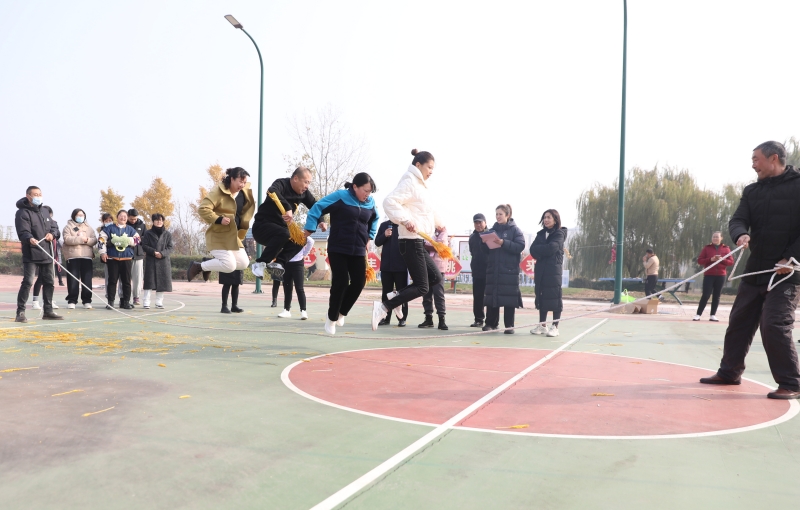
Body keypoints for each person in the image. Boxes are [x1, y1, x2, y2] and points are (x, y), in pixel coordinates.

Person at [700, 141, 800, 399]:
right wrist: (740, 234)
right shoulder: (752, 191)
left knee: (774, 325)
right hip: (755, 269)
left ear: (773, 158)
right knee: (739, 322)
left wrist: (791, 258)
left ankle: (791, 383)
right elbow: (738, 219)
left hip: (787, 274)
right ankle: (729, 372)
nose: (753, 164)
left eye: (756, 159)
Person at [372, 149, 445, 331]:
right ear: (418, 165)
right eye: (429, 167)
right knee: (422, 287)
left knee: (435, 277)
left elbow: (426, 210)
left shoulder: (422, 186)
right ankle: (384, 307)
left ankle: (395, 296)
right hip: (409, 241)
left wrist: (440, 224)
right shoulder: (410, 181)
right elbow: (389, 201)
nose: (431, 171)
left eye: (433, 168)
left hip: (418, 240)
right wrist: (405, 220)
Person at [304, 172, 379, 335]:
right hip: (338, 247)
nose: (367, 194)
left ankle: (342, 312)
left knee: (359, 282)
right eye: (365, 190)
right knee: (341, 282)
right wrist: (310, 227)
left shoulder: (370, 202)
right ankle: (331, 318)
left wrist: (370, 236)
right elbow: (317, 207)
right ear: (355, 187)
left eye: (370, 191)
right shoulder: (340, 197)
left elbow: (375, 218)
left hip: (358, 249)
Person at [251, 167, 325, 280]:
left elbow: (315, 206)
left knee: (301, 239)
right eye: (306, 182)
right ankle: (260, 263)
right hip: (262, 227)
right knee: (285, 233)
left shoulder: (304, 193)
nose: (307, 186)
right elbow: (272, 190)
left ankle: (278, 263)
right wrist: (287, 207)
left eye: (309, 183)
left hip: (280, 233)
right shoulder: (282, 184)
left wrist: (321, 220)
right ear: (295, 178)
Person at [188, 167, 255, 282]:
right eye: (240, 181)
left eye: (244, 182)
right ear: (232, 179)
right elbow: (203, 209)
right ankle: (199, 266)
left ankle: (208, 264)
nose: (242, 185)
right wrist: (219, 219)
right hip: (218, 235)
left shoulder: (244, 193)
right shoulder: (218, 192)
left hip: (233, 237)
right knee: (229, 265)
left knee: (244, 262)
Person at [14, 186, 62, 322]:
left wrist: (52, 234)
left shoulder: (45, 211)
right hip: (31, 252)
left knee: (49, 281)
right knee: (28, 281)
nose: (38, 196)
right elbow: (23, 231)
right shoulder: (22, 213)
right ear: (28, 196)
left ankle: (48, 311)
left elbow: (55, 228)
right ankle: (20, 312)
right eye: (35, 194)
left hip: (46, 252)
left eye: (40, 194)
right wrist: (29, 238)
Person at [482, 204, 525, 333]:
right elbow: (485, 251)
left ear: (507, 215)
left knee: (509, 299)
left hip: (509, 271)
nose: (498, 216)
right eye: (496, 214)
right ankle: (491, 323)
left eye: (500, 214)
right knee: (492, 298)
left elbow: (520, 245)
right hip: (493, 269)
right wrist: (484, 243)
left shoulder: (515, 230)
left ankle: (509, 326)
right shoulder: (491, 230)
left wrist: (504, 243)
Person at [529, 209, 567, 337]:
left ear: (555, 219)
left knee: (555, 298)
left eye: (549, 217)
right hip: (541, 270)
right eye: (544, 217)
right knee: (542, 296)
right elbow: (532, 250)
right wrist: (543, 251)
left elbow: (552, 248)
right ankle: (542, 325)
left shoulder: (559, 234)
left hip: (553, 271)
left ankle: (555, 326)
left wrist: (541, 251)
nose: (546, 220)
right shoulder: (541, 234)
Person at [99, 210, 140, 310]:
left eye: (125, 216)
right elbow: (101, 240)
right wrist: (103, 253)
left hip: (126, 258)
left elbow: (138, 240)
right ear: (117, 217)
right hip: (113, 258)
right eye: (121, 216)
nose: (123, 218)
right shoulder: (109, 228)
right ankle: (110, 302)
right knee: (112, 281)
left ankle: (126, 302)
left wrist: (127, 240)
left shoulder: (130, 229)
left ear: (127, 218)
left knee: (126, 281)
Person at [374, 220, 408, 327]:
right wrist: (384, 235)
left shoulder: (404, 225)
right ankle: (385, 318)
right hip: (386, 266)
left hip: (401, 266)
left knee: (402, 294)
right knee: (386, 293)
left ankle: (402, 318)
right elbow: (377, 242)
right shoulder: (384, 225)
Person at [694, 231, 733, 322]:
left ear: (721, 238)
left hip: (721, 275)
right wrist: (711, 259)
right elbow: (700, 261)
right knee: (706, 295)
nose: (715, 238)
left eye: (717, 237)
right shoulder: (707, 248)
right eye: (713, 237)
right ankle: (698, 314)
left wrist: (722, 259)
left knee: (717, 296)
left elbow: (731, 262)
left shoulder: (726, 249)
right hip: (709, 275)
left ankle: (712, 315)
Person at [62, 208, 97, 309]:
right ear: (74, 216)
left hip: (87, 256)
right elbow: (67, 239)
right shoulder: (68, 227)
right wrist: (81, 239)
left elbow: (94, 240)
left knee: (87, 279)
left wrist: (87, 240)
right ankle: (72, 300)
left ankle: (87, 300)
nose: (80, 217)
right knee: (73, 279)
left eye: (82, 215)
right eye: (78, 215)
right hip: (73, 256)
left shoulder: (89, 228)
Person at [31, 206, 61, 310]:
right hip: (40, 254)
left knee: (50, 279)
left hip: (51, 254)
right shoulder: (36, 224)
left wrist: (52, 234)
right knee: (40, 278)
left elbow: (57, 234)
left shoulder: (54, 223)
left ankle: (48, 301)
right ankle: (35, 301)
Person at [141, 213, 173, 309]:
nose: (159, 222)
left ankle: (159, 302)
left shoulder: (167, 234)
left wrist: (162, 253)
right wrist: (153, 252)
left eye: (161, 220)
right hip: (151, 260)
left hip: (163, 261)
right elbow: (144, 245)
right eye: (157, 220)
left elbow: (170, 247)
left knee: (162, 282)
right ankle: (146, 302)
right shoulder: (148, 233)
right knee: (149, 282)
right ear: (153, 221)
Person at [277, 236, 314, 319]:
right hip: (286, 263)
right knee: (287, 287)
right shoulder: (285, 234)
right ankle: (286, 310)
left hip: (298, 264)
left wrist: (305, 253)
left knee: (299, 288)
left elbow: (311, 241)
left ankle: (303, 311)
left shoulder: (299, 234)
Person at [420, 227, 449, 330]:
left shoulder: (443, 232)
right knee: (426, 293)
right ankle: (428, 318)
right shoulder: (427, 230)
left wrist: (425, 245)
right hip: (426, 266)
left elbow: (439, 247)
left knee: (438, 294)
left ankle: (442, 319)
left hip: (438, 268)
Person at [468, 213, 488, 327]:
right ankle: (479, 319)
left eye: (480, 222)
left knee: (489, 297)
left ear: (485, 223)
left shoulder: (490, 235)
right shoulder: (472, 237)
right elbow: (472, 252)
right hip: (477, 271)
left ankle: (491, 321)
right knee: (478, 296)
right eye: (476, 222)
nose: (478, 225)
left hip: (489, 271)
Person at [126, 209, 147, 306]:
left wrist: (136, 240)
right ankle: (124, 297)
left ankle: (136, 297)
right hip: (126, 254)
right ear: (128, 217)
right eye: (131, 219)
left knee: (138, 278)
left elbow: (145, 238)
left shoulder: (142, 225)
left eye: (135, 219)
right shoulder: (124, 225)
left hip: (138, 255)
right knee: (125, 278)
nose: (133, 221)